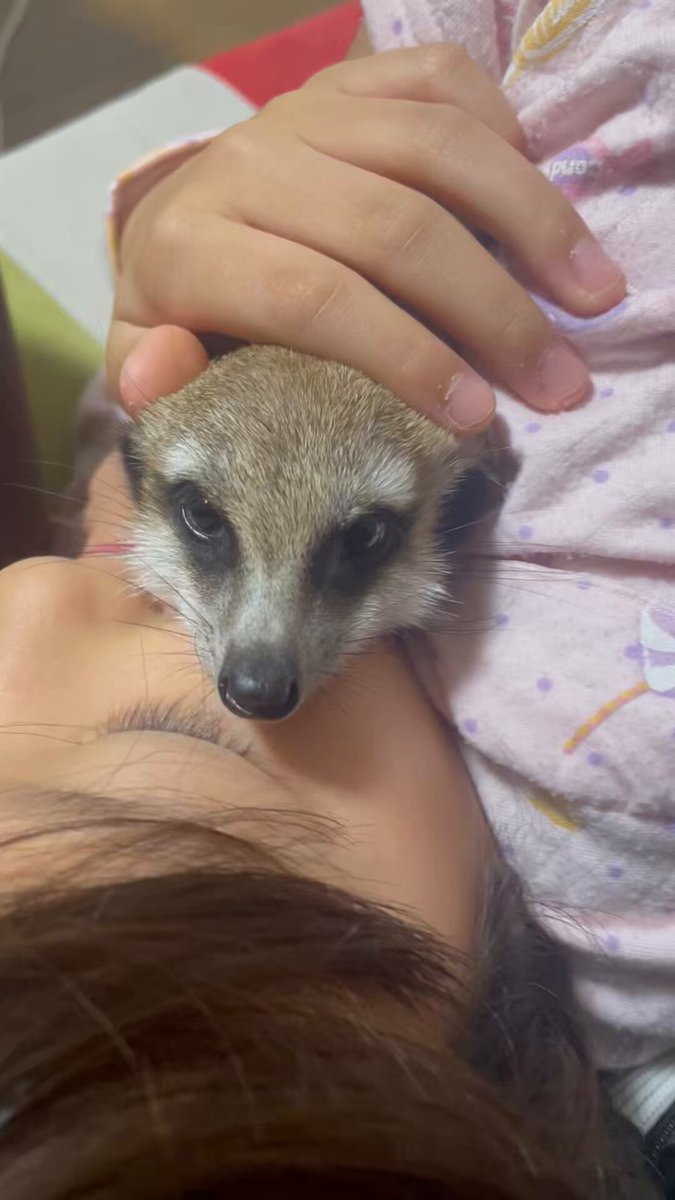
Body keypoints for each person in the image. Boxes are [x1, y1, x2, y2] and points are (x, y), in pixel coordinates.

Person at [0, 4, 670, 1198]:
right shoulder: (611, 804)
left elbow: (154, 405)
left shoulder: (115, 504)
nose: (254, 669)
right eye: (177, 737)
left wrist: (195, 216)